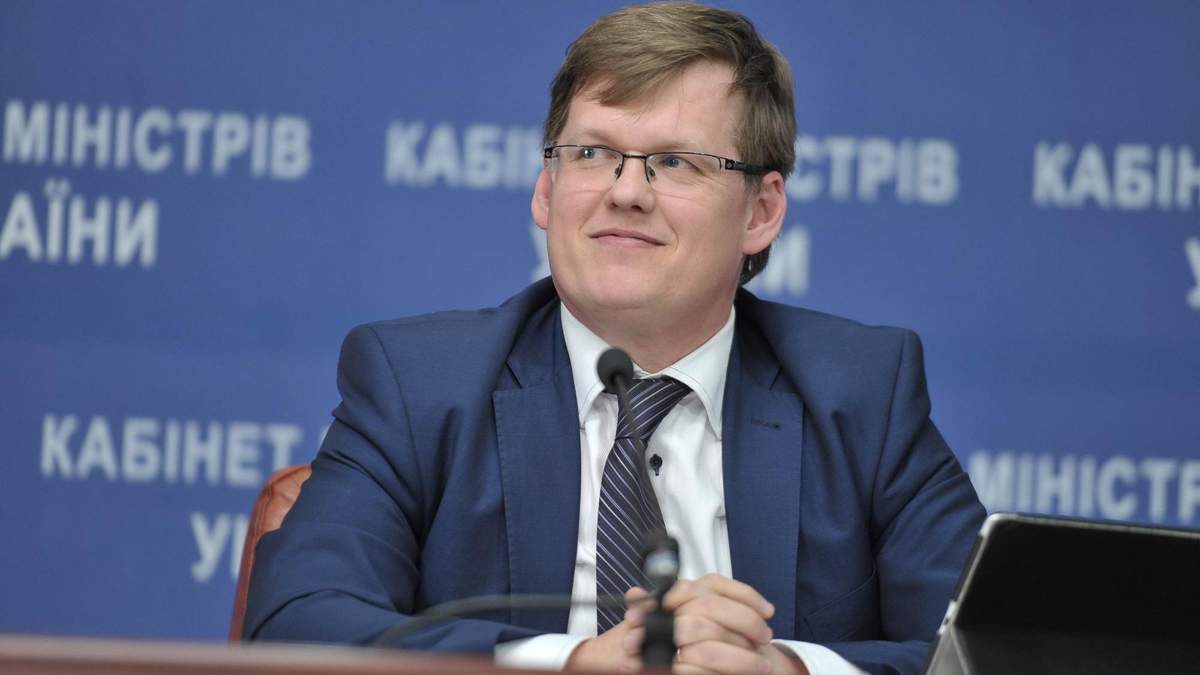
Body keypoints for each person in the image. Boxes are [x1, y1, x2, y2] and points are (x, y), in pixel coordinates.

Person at [244, 4, 986, 674]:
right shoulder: (418, 385)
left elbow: (996, 647)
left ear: (761, 212)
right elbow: (296, 626)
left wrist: (786, 670)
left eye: (676, 162)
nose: (626, 191)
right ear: (546, 189)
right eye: (593, 153)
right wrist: (570, 663)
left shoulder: (863, 394)